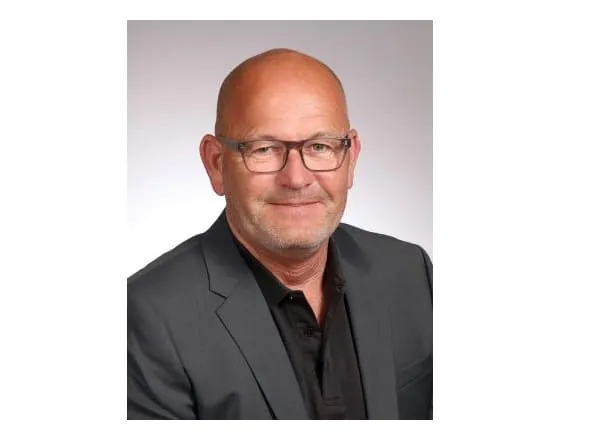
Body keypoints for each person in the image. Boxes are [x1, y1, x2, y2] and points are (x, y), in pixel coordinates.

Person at [127, 48, 433, 420]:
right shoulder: (146, 317)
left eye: (319, 146)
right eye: (265, 149)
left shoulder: (410, 273)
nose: (296, 178)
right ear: (217, 164)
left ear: (351, 158)